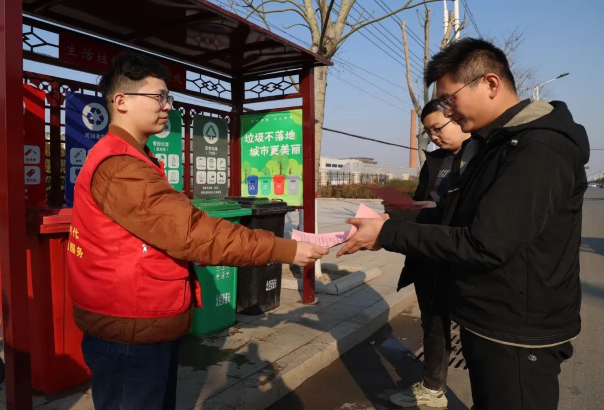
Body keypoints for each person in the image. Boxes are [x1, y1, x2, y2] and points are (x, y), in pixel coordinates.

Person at [66, 52, 329, 410]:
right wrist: (284, 249)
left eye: (168, 97)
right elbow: (192, 233)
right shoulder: (121, 168)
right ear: (122, 101)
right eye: (158, 96)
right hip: (130, 326)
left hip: (139, 319)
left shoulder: (131, 158)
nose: (167, 106)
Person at [338, 38, 589, 410]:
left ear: (490, 83)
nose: (448, 113)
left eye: (449, 99)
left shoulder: (538, 150)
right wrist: (390, 223)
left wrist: (390, 232)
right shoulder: (496, 145)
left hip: (518, 331)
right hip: (490, 317)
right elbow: (455, 215)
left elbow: (486, 243)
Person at [389, 99, 470, 408]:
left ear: (457, 117)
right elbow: (421, 201)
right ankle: (433, 388)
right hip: (428, 255)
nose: (434, 137)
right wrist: (399, 211)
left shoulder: (483, 157)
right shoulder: (434, 161)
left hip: (462, 255)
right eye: (429, 132)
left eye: (438, 128)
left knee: (474, 330)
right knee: (433, 323)